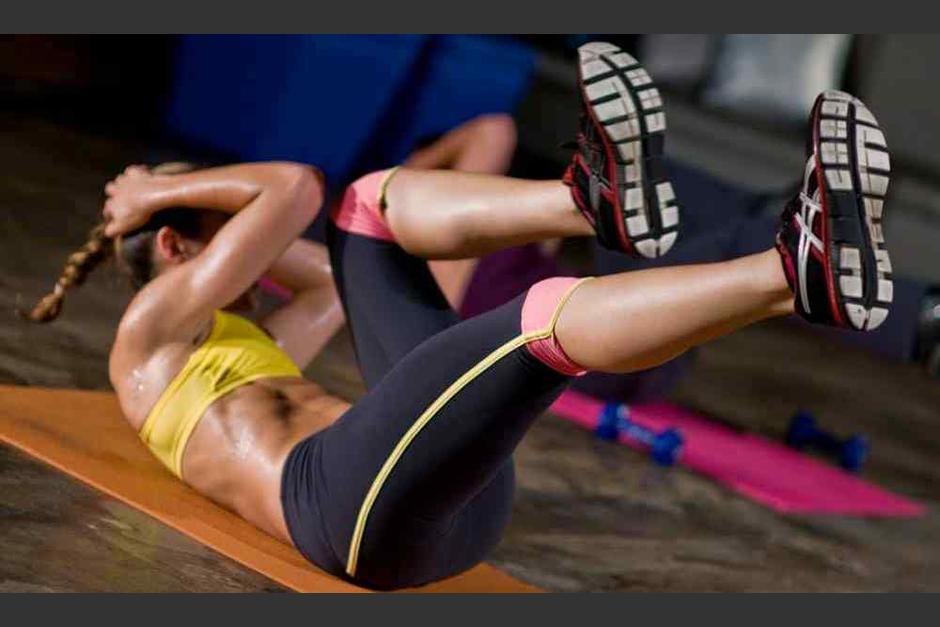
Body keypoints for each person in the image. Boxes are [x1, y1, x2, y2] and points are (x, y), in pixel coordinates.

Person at [25, 43, 892, 590]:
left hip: (440, 498)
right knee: (536, 318)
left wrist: (200, 207)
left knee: (369, 209)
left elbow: (337, 251)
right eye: (226, 231)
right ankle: (789, 270)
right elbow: (288, 188)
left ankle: (587, 204)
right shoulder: (150, 334)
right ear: (177, 249)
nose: (252, 249)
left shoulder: (248, 339)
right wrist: (154, 189)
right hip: (351, 515)